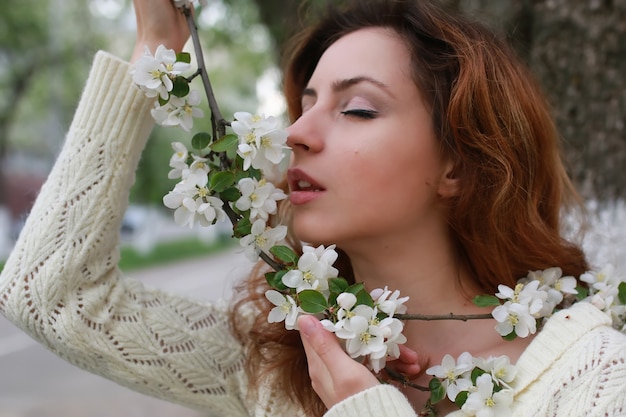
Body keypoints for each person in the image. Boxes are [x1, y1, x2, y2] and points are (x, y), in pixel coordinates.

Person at [1, 0, 625, 416]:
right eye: (303, 103)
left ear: (457, 165)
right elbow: (51, 294)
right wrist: (154, 54)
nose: (297, 132)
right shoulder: (281, 365)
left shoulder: (590, 376)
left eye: (357, 109)